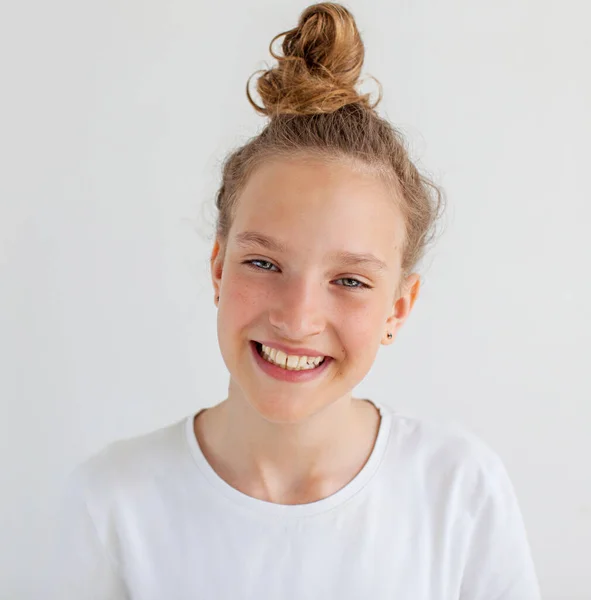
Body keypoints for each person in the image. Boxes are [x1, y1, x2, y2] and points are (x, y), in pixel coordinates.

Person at [49, 3, 541, 599]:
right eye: (263, 263)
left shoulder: (460, 491)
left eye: (351, 280)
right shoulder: (111, 503)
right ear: (218, 269)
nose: (298, 318)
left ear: (398, 309)